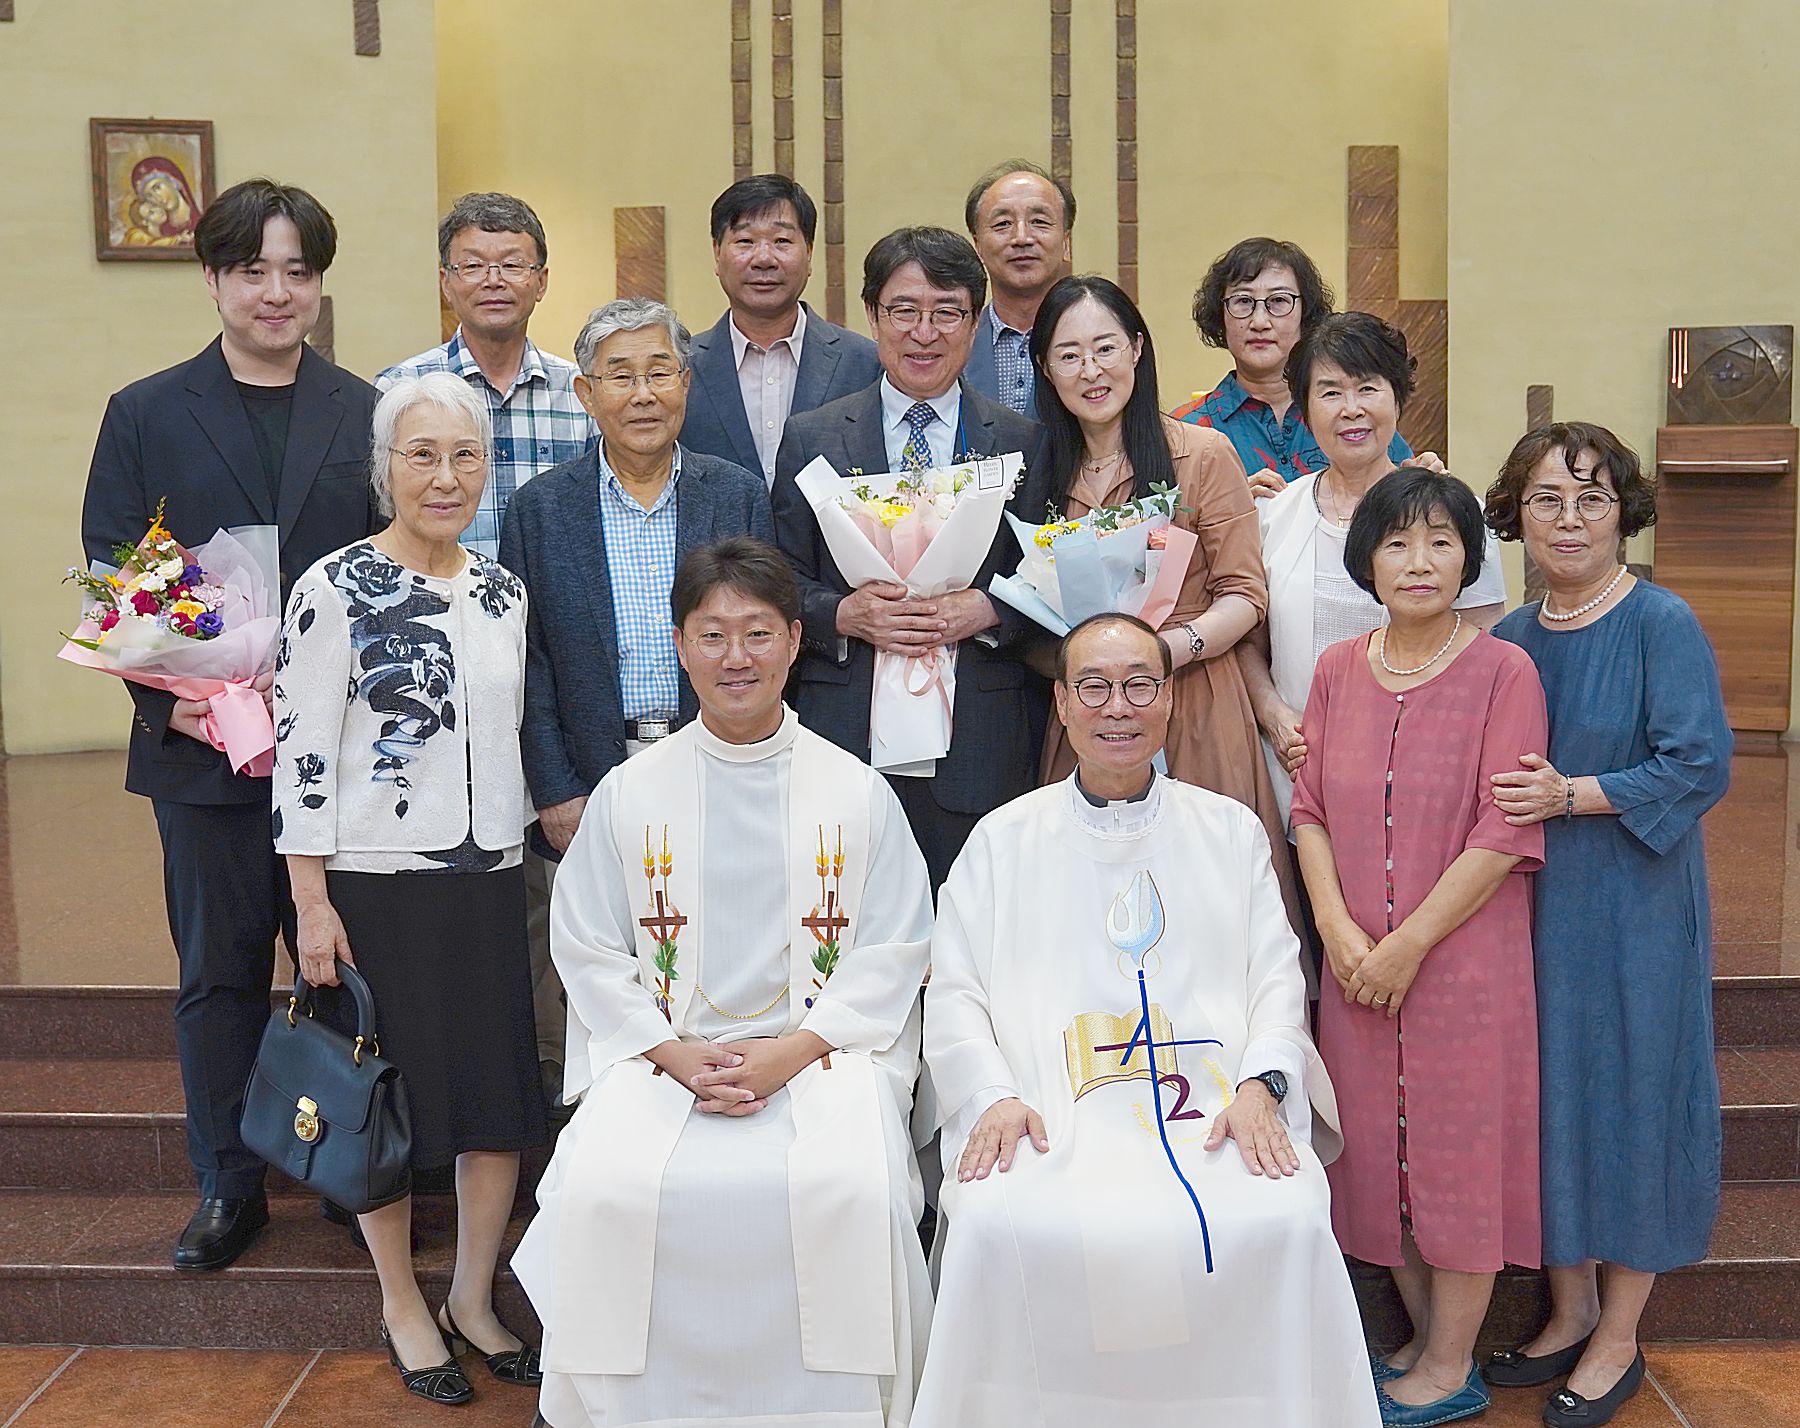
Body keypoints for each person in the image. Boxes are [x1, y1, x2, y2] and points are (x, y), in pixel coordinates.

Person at [513, 536, 935, 1427]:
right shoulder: (630, 792)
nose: (735, 657)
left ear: (795, 639)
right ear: (680, 646)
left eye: (757, 633)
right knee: (601, 1188)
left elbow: (895, 947)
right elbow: (587, 946)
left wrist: (791, 1053)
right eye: (712, 635)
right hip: (665, 1058)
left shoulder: (858, 792)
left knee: (855, 1190)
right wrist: (673, 1055)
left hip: (819, 1057)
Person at [917, 611, 1377, 1428]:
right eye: (1094, 688)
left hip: (1210, 1110)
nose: (1118, 707)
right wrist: (991, 1096)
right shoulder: (1001, 840)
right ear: (1062, 703)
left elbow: (1277, 977)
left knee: (1288, 1212)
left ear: (1169, 698)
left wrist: (1263, 1086)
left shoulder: (1229, 831)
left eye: (1138, 685)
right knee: (993, 1218)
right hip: (1050, 1112)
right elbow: (954, 992)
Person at [80, 177, 379, 1273]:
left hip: (344, 755)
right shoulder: (146, 412)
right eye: (252, 270)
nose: (276, 292)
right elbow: (116, 570)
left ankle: (346, 1162)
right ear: (213, 278)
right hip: (204, 750)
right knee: (217, 975)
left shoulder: (365, 410)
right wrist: (187, 700)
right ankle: (228, 1184)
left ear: (319, 284)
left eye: (298, 271)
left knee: (342, 964)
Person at [273, 372, 547, 1407]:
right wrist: (310, 902)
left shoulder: (502, 590)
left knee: (493, 1100)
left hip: (490, 879)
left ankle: (472, 1295)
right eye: (422, 455)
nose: (445, 476)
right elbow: (302, 755)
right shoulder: (334, 586)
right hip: (375, 888)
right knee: (382, 1104)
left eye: (466, 455)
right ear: (385, 469)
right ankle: (400, 1302)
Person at [1289, 468, 1547, 1427]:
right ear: (1367, 560)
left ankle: (1448, 1363)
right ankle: (1427, 1338)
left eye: (1442, 541)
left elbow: (1503, 831)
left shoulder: (1505, 672)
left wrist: (1408, 947)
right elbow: (1309, 812)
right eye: (1397, 542)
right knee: (1371, 1151)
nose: (1419, 561)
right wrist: (1339, 930)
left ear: (1469, 558)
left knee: (1458, 1154)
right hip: (1354, 964)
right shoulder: (1335, 669)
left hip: (1463, 966)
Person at [1485, 424, 1731, 1428]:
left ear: (1623, 512)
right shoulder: (1511, 636)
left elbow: (1698, 763)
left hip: (1635, 903)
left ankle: (1620, 1333)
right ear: (1518, 515)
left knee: (1632, 1097)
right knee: (1553, 1098)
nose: (1570, 518)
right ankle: (1570, 1306)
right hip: (1536, 907)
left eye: (1592, 498)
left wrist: (1573, 795)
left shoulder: (1660, 621)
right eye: (1547, 498)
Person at [500, 298, 772, 1110]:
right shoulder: (541, 508)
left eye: (660, 371)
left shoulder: (736, 494)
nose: (643, 393)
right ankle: (594, 1133)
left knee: (709, 956)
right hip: (588, 776)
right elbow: (528, 662)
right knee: (590, 975)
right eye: (620, 375)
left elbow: (761, 639)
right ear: (586, 394)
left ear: (687, 384)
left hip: (715, 767)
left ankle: (709, 1109)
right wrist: (554, 788)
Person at [771, 225, 1051, 889]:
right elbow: (780, 579)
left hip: (979, 737)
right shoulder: (812, 436)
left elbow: (1045, 576)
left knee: (974, 924)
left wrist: (989, 609)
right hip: (848, 730)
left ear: (975, 323)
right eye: (904, 310)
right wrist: (845, 615)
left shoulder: (1021, 440)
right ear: (873, 316)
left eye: (947, 312)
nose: (925, 333)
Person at [1029, 275, 1298, 920]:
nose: (1090, 370)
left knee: (1209, 899)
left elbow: (1244, 593)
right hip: (1090, 707)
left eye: (1105, 348)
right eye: (1069, 354)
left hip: (1196, 697)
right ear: (1044, 366)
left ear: (1137, 349)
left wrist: (1164, 652)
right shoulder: (1038, 470)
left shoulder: (1202, 454)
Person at [1243, 311, 1506, 832]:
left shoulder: (1455, 517)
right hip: (1296, 773)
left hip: (1424, 782)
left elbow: (1483, 652)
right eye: (1330, 392)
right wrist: (1273, 714)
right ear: (1304, 408)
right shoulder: (1273, 514)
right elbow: (1249, 644)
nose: (1352, 409)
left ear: (1398, 398)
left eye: (1368, 387)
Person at [377, 191, 596, 561]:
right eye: (473, 266)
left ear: (541, 282)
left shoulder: (580, 393)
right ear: (446, 282)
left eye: (512, 265)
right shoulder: (399, 389)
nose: (493, 281)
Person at [680, 174, 881, 485]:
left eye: (782, 241)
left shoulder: (866, 363)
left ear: (809, 253)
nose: (764, 259)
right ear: (717, 253)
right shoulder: (680, 367)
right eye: (745, 241)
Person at [1174, 237, 1411, 496]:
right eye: (1243, 301)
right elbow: (1164, 521)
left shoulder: (1357, 419)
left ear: (1305, 314)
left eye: (1278, 301)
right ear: (1220, 317)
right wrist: (1225, 506)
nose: (1260, 322)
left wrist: (1422, 480)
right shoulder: (1186, 431)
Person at [961, 158, 1075, 417]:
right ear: (978, 246)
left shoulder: (1101, 345)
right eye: (1003, 224)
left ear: (1066, 243)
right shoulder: (952, 343)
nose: (1022, 238)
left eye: (1039, 222)